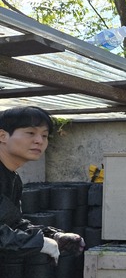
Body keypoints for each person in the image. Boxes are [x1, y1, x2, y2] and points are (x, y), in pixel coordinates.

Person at [0, 105, 85, 263]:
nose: (39, 141)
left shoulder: (13, 178)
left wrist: (52, 235)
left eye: (44, 136)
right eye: (30, 133)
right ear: (2, 136)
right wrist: (40, 243)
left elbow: (12, 223)